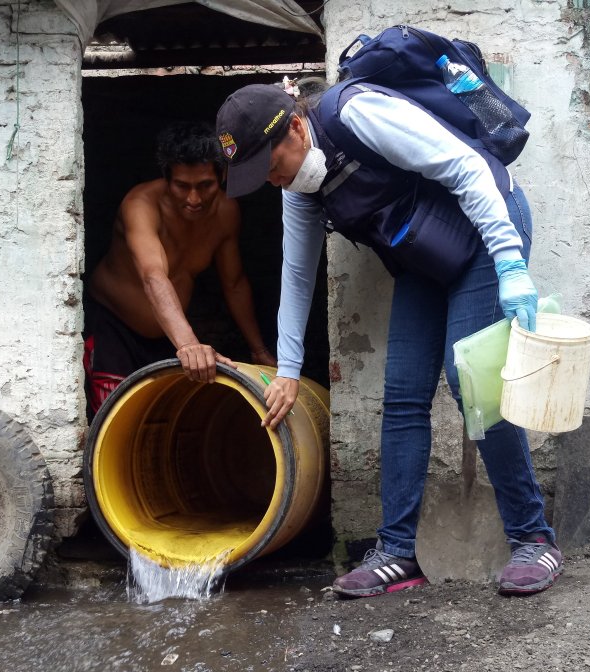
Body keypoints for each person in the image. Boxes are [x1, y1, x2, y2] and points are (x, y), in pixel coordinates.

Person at [215, 82, 561, 598]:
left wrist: (510, 261)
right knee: (401, 394)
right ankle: (397, 554)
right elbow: (296, 274)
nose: (271, 178)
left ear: (294, 126)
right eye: (258, 174)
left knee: (473, 382)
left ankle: (535, 538)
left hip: (488, 222)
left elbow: (466, 168)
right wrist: (288, 369)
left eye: (270, 162)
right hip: (428, 249)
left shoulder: (359, 114)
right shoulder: (300, 188)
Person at [83, 121, 275, 417]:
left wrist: (258, 350)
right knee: (114, 420)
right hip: (113, 328)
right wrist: (189, 345)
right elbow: (153, 276)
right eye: (182, 186)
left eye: (205, 186)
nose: (193, 199)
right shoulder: (140, 204)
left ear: (222, 176)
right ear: (166, 178)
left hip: (167, 335)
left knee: (164, 420)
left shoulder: (225, 213)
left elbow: (234, 284)